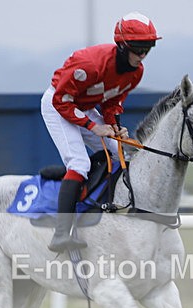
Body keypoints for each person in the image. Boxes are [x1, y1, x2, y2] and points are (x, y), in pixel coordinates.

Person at [41, 11, 161, 252]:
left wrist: (115, 124)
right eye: (138, 48)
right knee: (79, 162)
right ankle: (61, 233)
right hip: (57, 105)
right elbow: (61, 102)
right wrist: (94, 127)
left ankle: (97, 204)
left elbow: (111, 103)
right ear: (123, 45)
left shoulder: (136, 72)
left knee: (120, 156)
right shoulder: (89, 66)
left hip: (82, 107)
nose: (143, 54)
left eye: (147, 47)